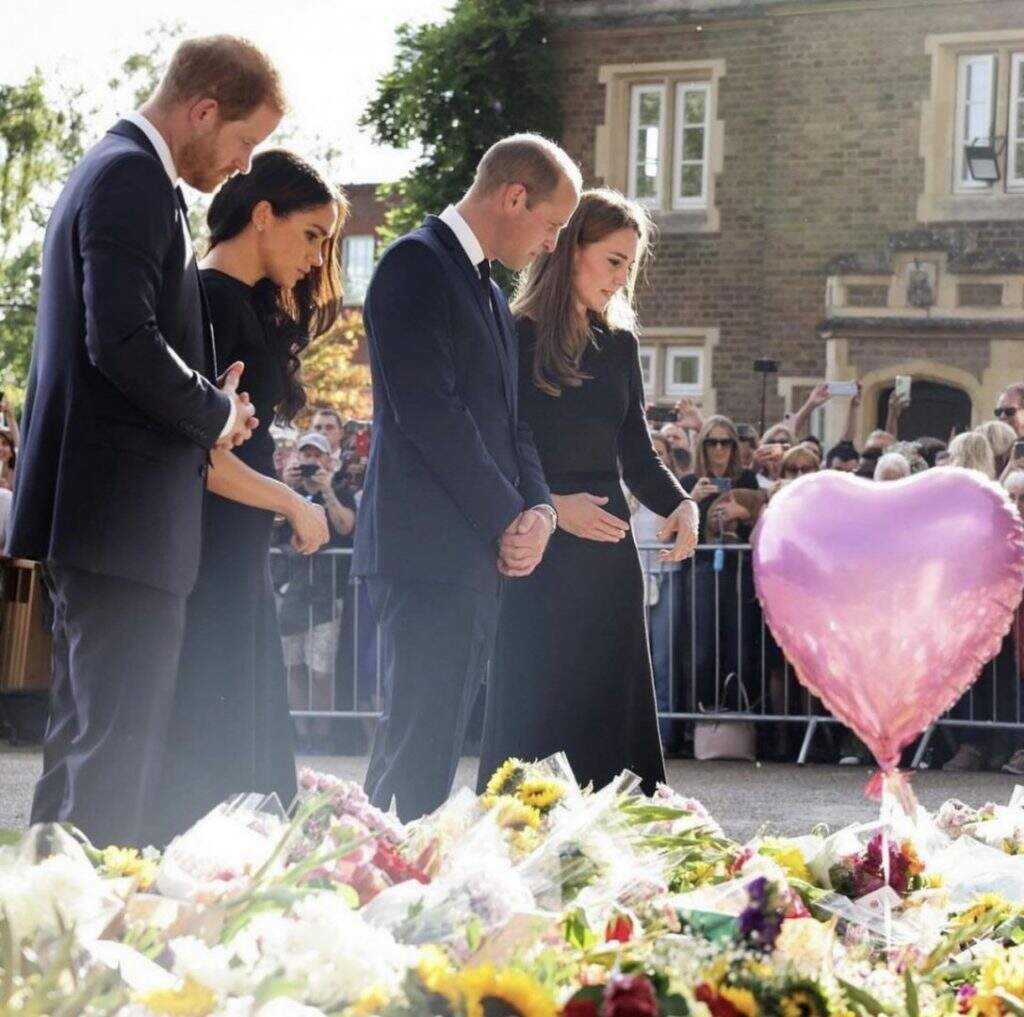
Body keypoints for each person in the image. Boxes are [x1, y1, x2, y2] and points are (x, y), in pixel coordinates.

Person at [7, 36, 283, 847]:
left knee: (86, 749)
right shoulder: (132, 175)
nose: (242, 165)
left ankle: (48, 932)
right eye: (244, 142)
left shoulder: (118, 169)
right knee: (112, 763)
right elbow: (119, 339)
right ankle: (86, 954)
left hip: (106, 518)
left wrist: (208, 394)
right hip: (121, 523)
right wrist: (214, 413)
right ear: (203, 111)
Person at [353, 134, 581, 820]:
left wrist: (538, 509)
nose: (549, 245)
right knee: (412, 747)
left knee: (434, 745)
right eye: (551, 225)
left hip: (471, 554)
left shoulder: (487, 290)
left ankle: (397, 881)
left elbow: (513, 425)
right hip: (425, 554)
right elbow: (431, 414)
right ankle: (377, 886)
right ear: (514, 197)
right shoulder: (414, 266)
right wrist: (507, 514)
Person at [478, 188, 697, 794]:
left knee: (610, 698)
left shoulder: (620, 346)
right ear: (572, 250)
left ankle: (621, 834)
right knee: (536, 699)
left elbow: (636, 452)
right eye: (613, 260)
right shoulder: (513, 334)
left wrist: (681, 504)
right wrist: (550, 507)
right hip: (539, 550)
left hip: (608, 560)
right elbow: (500, 441)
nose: (623, 278)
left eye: (631, 264)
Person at [155, 151, 342, 842]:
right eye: (313, 234)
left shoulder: (242, 302)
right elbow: (204, 459)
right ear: (263, 215)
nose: (318, 256)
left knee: (248, 754)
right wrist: (293, 503)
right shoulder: (204, 298)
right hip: (209, 550)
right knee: (218, 753)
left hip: (237, 553)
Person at [278, 431, 357, 743]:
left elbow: (346, 526)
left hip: (327, 595)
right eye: (305, 454)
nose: (310, 461)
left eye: (316, 455)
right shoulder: (284, 491)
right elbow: (270, 525)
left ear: (327, 459)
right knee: (293, 665)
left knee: (321, 670)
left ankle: (322, 734)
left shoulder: (339, 490)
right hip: (291, 593)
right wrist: (286, 487)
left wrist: (326, 491)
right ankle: (302, 735)